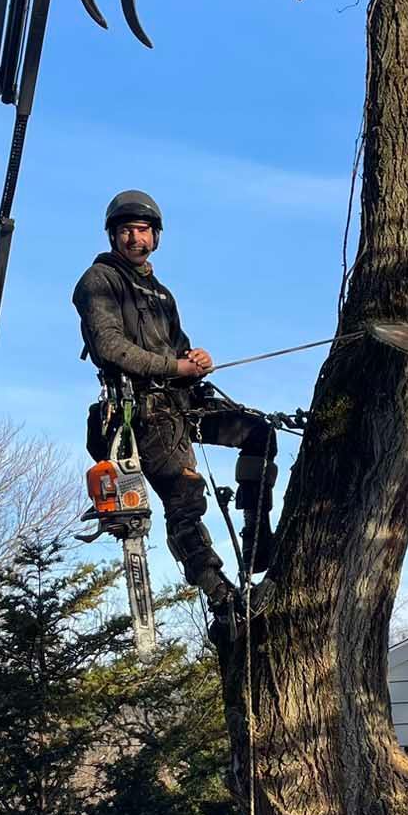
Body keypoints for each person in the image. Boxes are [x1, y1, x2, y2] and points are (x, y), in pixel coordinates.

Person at [73, 191, 277, 614]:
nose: (135, 237)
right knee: (185, 499)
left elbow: (178, 350)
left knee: (261, 434)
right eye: (126, 230)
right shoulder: (99, 282)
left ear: (156, 236)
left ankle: (258, 537)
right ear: (113, 235)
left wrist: (194, 360)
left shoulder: (161, 294)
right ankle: (221, 597)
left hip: (184, 403)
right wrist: (174, 367)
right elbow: (109, 346)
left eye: (142, 230)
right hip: (143, 415)